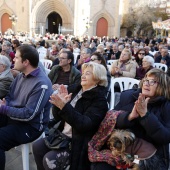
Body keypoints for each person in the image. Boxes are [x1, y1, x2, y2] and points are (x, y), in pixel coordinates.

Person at [32, 62, 109, 170]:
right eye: (83, 73)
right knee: (37, 147)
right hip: (63, 136)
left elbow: (84, 125)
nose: (83, 75)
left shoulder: (99, 101)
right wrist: (58, 105)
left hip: (79, 142)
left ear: (97, 78)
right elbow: (58, 118)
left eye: (88, 73)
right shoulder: (75, 90)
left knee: (49, 159)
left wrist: (65, 107)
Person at [90, 68, 170, 170]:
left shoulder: (166, 106)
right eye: (145, 80)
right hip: (122, 151)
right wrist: (128, 117)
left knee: (138, 165)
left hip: (147, 157)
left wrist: (145, 115)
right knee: (100, 167)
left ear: (162, 86)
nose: (146, 83)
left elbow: (165, 137)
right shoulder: (129, 96)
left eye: (152, 81)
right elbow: (111, 118)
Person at [0, 45, 53, 169]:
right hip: (13, 117)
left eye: (16, 57)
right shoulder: (20, 76)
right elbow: (9, 96)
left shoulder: (41, 84)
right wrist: (5, 104)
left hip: (30, 126)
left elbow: (29, 114)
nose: (13, 60)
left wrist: (4, 109)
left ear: (26, 62)